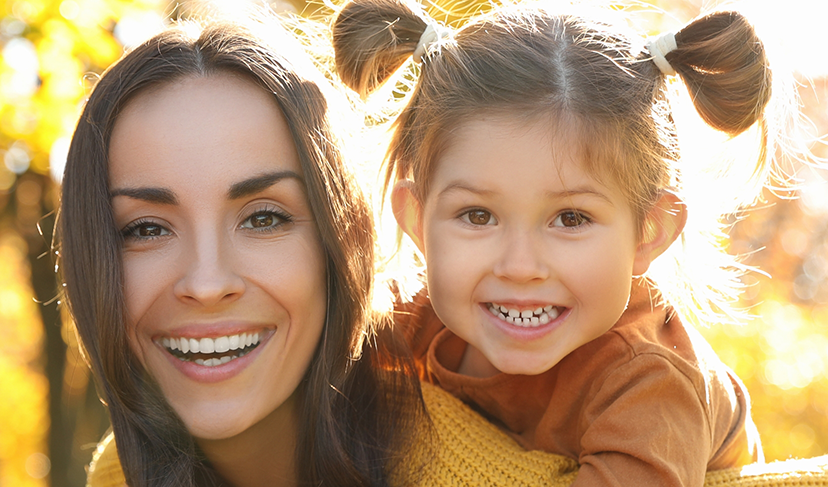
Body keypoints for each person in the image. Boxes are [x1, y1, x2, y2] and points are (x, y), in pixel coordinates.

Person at [330, 0, 802, 484]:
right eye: (478, 215)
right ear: (416, 219)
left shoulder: (649, 385)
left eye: (570, 218)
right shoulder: (403, 321)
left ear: (649, 231)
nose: (519, 266)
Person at [55, 12, 426, 487]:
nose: (207, 284)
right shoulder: (113, 477)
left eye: (264, 218)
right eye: (147, 230)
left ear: (346, 237)